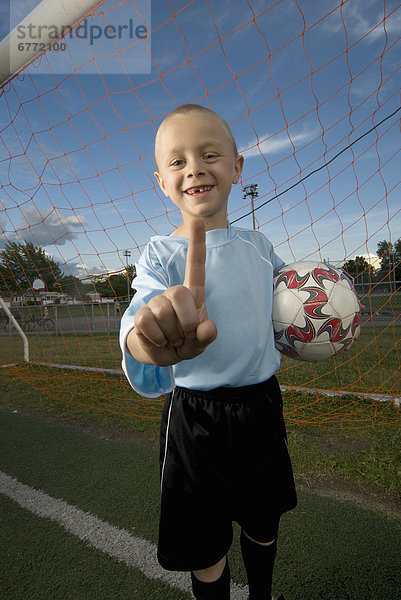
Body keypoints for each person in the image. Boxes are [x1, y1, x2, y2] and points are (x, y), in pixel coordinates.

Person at [119, 103, 297, 600]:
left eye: (210, 154)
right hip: (196, 419)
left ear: (237, 168)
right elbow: (139, 317)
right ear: (161, 181)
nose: (194, 167)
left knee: (263, 522)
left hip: (261, 405)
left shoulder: (260, 245)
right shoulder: (160, 255)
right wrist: (148, 342)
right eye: (177, 161)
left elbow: (291, 305)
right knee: (207, 547)